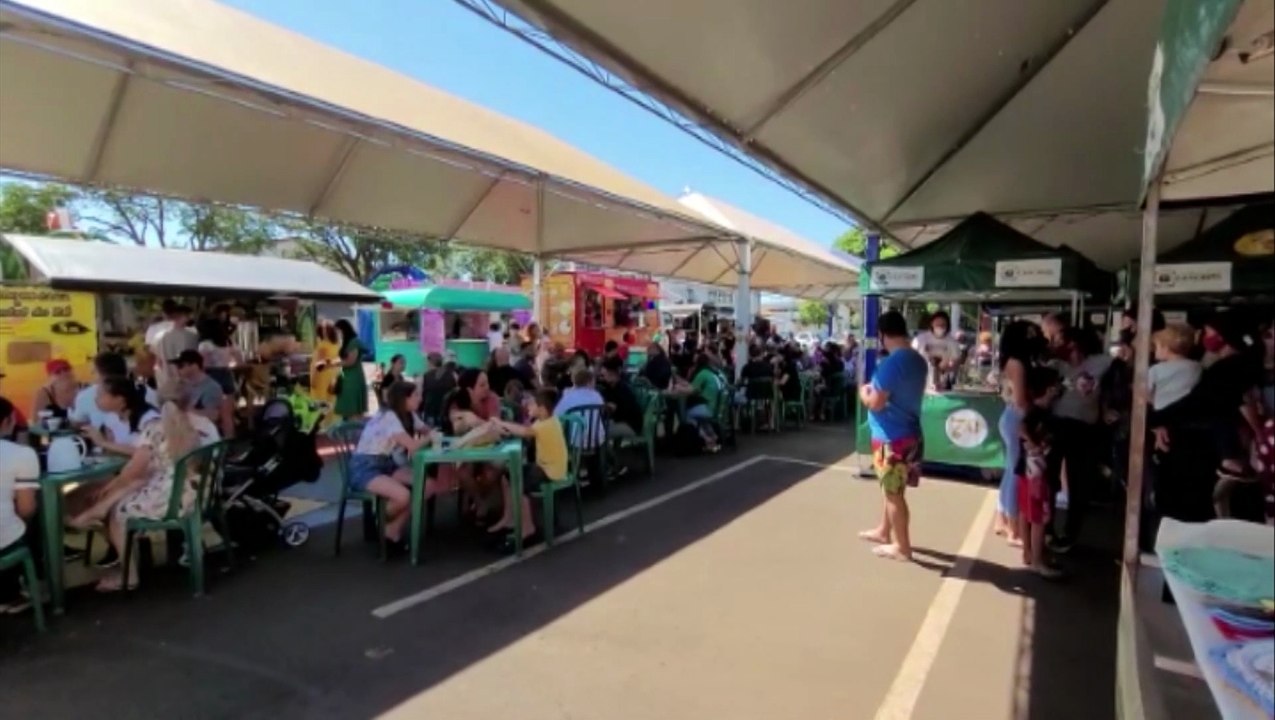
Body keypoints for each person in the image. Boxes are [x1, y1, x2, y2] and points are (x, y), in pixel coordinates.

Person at [67, 380, 205, 591]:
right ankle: (98, 509)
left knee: (118, 512)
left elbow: (135, 468)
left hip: (175, 497)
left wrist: (111, 482)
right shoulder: (192, 424)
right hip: (196, 493)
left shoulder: (154, 428)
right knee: (135, 484)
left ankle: (128, 574)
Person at [858, 311, 928, 562]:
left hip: (891, 438)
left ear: (882, 335)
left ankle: (902, 546)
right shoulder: (918, 361)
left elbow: (875, 403)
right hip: (910, 433)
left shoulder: (891, 364)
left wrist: (863, 393)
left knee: (893, 494)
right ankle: (884, 530)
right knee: (893, 489)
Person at [348, 381, 441, 549]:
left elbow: (427, 429)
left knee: (428, 486)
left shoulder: (409, 414)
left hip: (386, 463)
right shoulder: (389, 416)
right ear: (404, 399)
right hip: (365, 466)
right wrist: (430, 438)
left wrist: (434, 432)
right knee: (404, 496)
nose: (420, 399)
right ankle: (380, 520)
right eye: (416, 396)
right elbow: (412, 445)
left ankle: (392, 529)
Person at [1049, 326, 1114, 551]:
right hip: (1056, 425)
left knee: (1079, 482)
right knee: (1050, 479)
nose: (1067, 349)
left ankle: (1070, 533)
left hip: (1085, 428)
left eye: (1068, 343)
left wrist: (1108, 409)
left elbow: (1113, 388)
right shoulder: (1055, 364)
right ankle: (1046, 529)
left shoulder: (1104, 363)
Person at [491, 388, 571, 550]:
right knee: (508, 474)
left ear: (541, 409)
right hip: (547, 467)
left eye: (531, 404)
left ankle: (527, 529)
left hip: (550, 470)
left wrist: (501, 423)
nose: (527, 406)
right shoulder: (547, 420)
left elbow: (523, 432)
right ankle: (510, 518)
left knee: (518, 480)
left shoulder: (544, 425)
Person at [994, 321, 1042, 545]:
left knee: (1010, 469)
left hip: (1010, 415)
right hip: (1017, 417)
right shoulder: (1018, 364)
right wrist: (1042, 401)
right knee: (1016, 471)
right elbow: (1022, 400)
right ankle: (1013, 526)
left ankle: (1003, 519)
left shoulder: (1009, 361)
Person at [0, 397, 39, 611]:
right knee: (27, 523)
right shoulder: (22, 454)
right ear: (8, 421)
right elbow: (26, 508)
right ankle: (11, 594)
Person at [1018, 402, 1062, 579]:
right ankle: (1036, 561)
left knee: (1026, 511)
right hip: (1037, 474)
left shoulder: (1034, 412)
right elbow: (1022, 428)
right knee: (1039, 518)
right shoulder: (1040, 413)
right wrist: (1035, 444)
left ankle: (1028, 552)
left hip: (1028, 470)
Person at [1147, 324, 1202, 419]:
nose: (1154, 350)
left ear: (1166, 348)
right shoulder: (1197, 367)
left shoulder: (1156, 369)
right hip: (1188, 415)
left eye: (1156, 346)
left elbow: (1145, 393)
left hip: (1162, 414)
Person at [174, 350, 226, 427]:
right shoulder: (185, 385)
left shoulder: (211, 387)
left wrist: (186, 411)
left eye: (181, 366)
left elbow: (213, 416)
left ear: (194, 366)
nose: (178, 370)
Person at [912, 311, 961, 388]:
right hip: (921, 379)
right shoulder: (921, 339)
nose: (940, 327)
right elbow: (911, 356)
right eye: (937, 324)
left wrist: (948, 367)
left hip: (942, 380)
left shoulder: (952, 342)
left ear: (947, 326)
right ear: (932, 324)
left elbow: (956, 360)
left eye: (943, 325)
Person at [155, 304, 199, 387]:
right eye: (188, 316)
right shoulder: (191, 336)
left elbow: (159, 360)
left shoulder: (163, 337)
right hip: (187, 379)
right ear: (183, 316)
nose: (190, 318)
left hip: (169, 378)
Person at [599, 357, 642, 439]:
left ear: (612, 374)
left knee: (598, 431)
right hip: (620, 421)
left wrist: (612, 408)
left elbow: (624, 411)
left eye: (603, 375)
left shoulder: (622, 389)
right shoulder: (611, 387)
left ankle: (604, 451)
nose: (601, 378)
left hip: (630, 425)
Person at [333, 319, 369, 420]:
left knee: (353, 410)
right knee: (347, 411)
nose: (337, 334)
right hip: (347, 378)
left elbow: (350, 361)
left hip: (353, 379)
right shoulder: (346, 343)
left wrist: (333, 364)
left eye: (338, 331)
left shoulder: (354, 342)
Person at [197, 316, 240, 396]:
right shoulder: (228, 342)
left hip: (211, 374)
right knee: (228, 398)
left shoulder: (205, 345)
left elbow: (204, 364)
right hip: (227, 374)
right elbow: (238, 357)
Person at [310, 321, 342, 412]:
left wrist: (313, 379)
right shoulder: (336, 345)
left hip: (323, 377)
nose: (324, 331)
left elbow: (317, 365)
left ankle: (323, 422)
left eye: (325, 329)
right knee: (330, 403)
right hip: (329, 376)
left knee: (322, 403)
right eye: (322, 329)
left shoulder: (322, 346)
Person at [419, 352, 456, 425]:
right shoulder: (452, 375)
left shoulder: (425, 376)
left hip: (430, 411)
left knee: (431, 434)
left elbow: (421, 396)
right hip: (447, 412)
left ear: (430, 362)